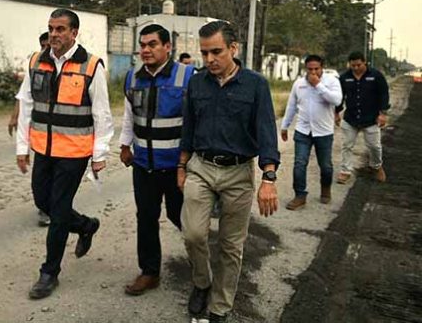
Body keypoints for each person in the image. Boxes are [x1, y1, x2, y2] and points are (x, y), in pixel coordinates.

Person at [176, 20, 279, 323]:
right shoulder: (197, 83)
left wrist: (269, 178)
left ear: (234, 48)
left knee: (231, 245)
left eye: (216, 52)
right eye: (204, 53)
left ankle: (219, 307)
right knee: (193, 234)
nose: (209, 59)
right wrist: (182, 166)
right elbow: (188, 128)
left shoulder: (255, 85)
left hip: (238, 173)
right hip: (201, 168)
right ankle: (201, 283)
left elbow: (266, 133)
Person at [15, 8, 114, 299]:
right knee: (42, 202)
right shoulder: (36, 61)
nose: (54, 34)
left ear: (74, 33)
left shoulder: (91, 65)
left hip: (74, 152)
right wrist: (22, 147)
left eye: (60, 29)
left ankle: (49, 272)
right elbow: (26, 105)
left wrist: (99, 153)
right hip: (43, 149)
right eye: (51, 29)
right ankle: (86, 225)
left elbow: (102, 113)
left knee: (58, 212)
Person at [119, 24, 194, 296]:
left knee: (183, 217)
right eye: (143, 45)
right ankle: (149, 272)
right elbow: (129, 116)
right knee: (146, 218)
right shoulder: (133, 78)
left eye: (152, 44)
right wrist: (124, 145)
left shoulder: (188, 76)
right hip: (144, 165)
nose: (146, 50)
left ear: (167, 47)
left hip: (177, 167)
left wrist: (190, 161)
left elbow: (196, 119)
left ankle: (203, 262)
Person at [280, 54, 342, 210]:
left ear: (322, 68)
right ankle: (300, 195)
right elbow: (291, 106)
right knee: (299, 164)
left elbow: (336, 100)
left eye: (316, 69)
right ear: (305, 69)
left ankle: (325, 189)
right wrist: (285, 126)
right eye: (310, 69)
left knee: (325, 166)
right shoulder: (299, 84)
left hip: (324, 132)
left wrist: (318, 85)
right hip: (303, 130)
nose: (313, 72)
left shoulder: (332, 81)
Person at [8, 31, 51, 227]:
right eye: (43, 46)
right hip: (40, 134)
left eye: (48, 45)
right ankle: (46, 206)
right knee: (40, 182)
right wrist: (14, 117)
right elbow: (24, 97)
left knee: (56, 181)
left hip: (65, 139)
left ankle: (51, 211)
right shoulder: (36, 66)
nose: (46, 49)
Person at [335, 51, 390, 184]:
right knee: (347, 145)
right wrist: (336, 112)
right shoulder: (344, 77)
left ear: (365, 62)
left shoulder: (376, 76)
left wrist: (383, 114)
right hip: (351, 118)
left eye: (358, 65)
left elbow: (384, 94)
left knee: (374, 146)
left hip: (371, 118)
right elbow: (339, 96)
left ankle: (376, 166)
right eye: (352, 65)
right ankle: (345, 171)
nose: (355, 68)